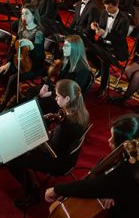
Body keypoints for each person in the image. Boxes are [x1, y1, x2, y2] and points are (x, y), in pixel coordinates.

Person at [45, 114, 139, 218]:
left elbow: (91, 187)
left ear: (126, 144)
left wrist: (56, 189)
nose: (109, 140)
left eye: (113, 138)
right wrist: (116, 191)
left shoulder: (126, 170)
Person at [7, 79, 89, 208]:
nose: (56, 98)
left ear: (67, 98)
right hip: (69, 157)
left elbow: (49, 150)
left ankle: (31, 193)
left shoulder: (66, 125)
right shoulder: (80, 112)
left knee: (14, 160)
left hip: (59, 163)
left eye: (58, 96)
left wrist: (32, 141)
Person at [0, 5, 46, 113]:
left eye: (26, 13)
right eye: (22, 14)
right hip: (20, 59)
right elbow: (14, 47)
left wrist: (31, 46)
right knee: (0, 74)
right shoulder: (22, 29)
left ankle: (5, 102)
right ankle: (16, 94)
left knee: (13, 78)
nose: (23, 16)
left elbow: (39, 56)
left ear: (33, 16)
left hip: (33, 65)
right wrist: (8, 62)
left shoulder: (39, 32)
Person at [90, 0, 130, 97]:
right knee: (86, 49)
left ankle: (103, 87)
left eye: (110, 8)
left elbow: (120, 39)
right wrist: (95, 26)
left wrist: (105, 34)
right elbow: (99, 24)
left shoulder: (124, 20)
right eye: (105, 7)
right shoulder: (104, 13)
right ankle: (100, 69)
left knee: (104, 58)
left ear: (117, 5)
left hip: (116, 47)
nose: (107, 10)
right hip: (103, 43)